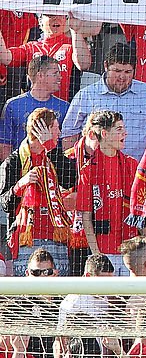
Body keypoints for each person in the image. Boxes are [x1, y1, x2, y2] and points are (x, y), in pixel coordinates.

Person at [0, 108, 77, 276]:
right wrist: (21, 184)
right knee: (29, 296)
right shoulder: (14, 161)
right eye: (56, 127)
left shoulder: (54, 155)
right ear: (43, 130)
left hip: (57, 236)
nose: (60, 132)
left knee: (57, 294)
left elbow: (70, 179)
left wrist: (51, 148)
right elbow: (5, 203)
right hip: (26, 239)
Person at [75, 111, 138, 276]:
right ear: (104, 133)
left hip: (129, 253)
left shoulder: (131, 165)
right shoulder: (88, 170)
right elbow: (86, 218)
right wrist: (97, 256)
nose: (125, 133)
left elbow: (139, 213)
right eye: (119, 129)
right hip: (103, 253)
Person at [0, 13, 92, 103]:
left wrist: (76, 31)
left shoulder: (73, 45)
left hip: (63, 110)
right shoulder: (31, 47)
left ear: (65, 19)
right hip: (33, 108)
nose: (56, 18)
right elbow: (5, 58)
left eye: (60, 15)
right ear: (40, 21)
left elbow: (84, 64)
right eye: (50, 15)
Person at [0, 55, 69, 158]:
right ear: (40, 75)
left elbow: (67, 147)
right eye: (55, 74)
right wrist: (14, 171)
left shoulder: (64, 107)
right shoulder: (13, 105)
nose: (60, 77)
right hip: (22, 168)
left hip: (52, 168)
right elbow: (5, 144)